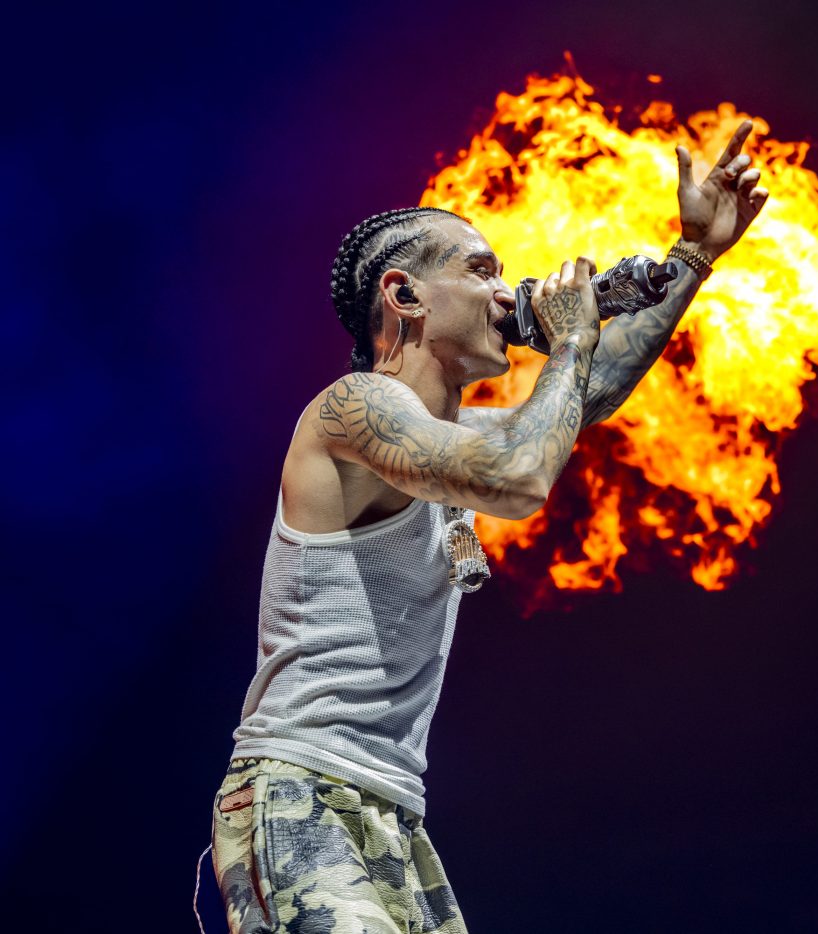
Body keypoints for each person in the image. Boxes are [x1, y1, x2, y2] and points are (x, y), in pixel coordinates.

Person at [199, 122, 768, 934]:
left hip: (391, 808)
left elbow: (587, 396)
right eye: (481, 270)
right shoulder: (352, 409)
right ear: (403, 295)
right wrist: (572, 338)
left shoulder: (451, 442)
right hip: (302, 791)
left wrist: (693, 255)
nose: (508, 293)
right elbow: (520, 476)